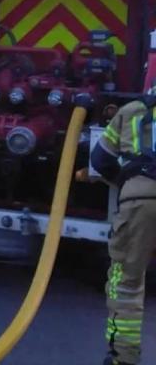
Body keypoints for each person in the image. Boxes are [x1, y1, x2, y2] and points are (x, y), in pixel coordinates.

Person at [89, 94, 156, 365]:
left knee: (126, 281)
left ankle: (123, 359)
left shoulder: (133, 111)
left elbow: (100, 158)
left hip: (140, 199)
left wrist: (130, 182)